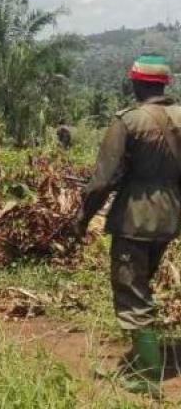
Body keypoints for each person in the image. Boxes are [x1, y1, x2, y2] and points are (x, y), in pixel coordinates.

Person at [74, 53, 181, 396]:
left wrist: (82, 217)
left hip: (135, 217)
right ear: (165, 84)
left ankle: (147, 374)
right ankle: (143, 350)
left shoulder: (128, 121)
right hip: (171, 216)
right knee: (142, 281)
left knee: (131, 288)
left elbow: (102, 180)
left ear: (135, 83)